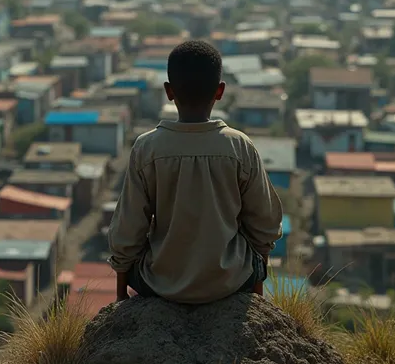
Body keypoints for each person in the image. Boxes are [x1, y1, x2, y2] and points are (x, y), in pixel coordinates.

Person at [108, 40, 283, 304]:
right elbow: (265, 224)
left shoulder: (147, 148)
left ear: (169, 91)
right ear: (220, 91)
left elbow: (127, 229)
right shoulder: (239, 146)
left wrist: (121, 296)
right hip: (231, 282)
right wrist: (254, 291)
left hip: (160, 284)